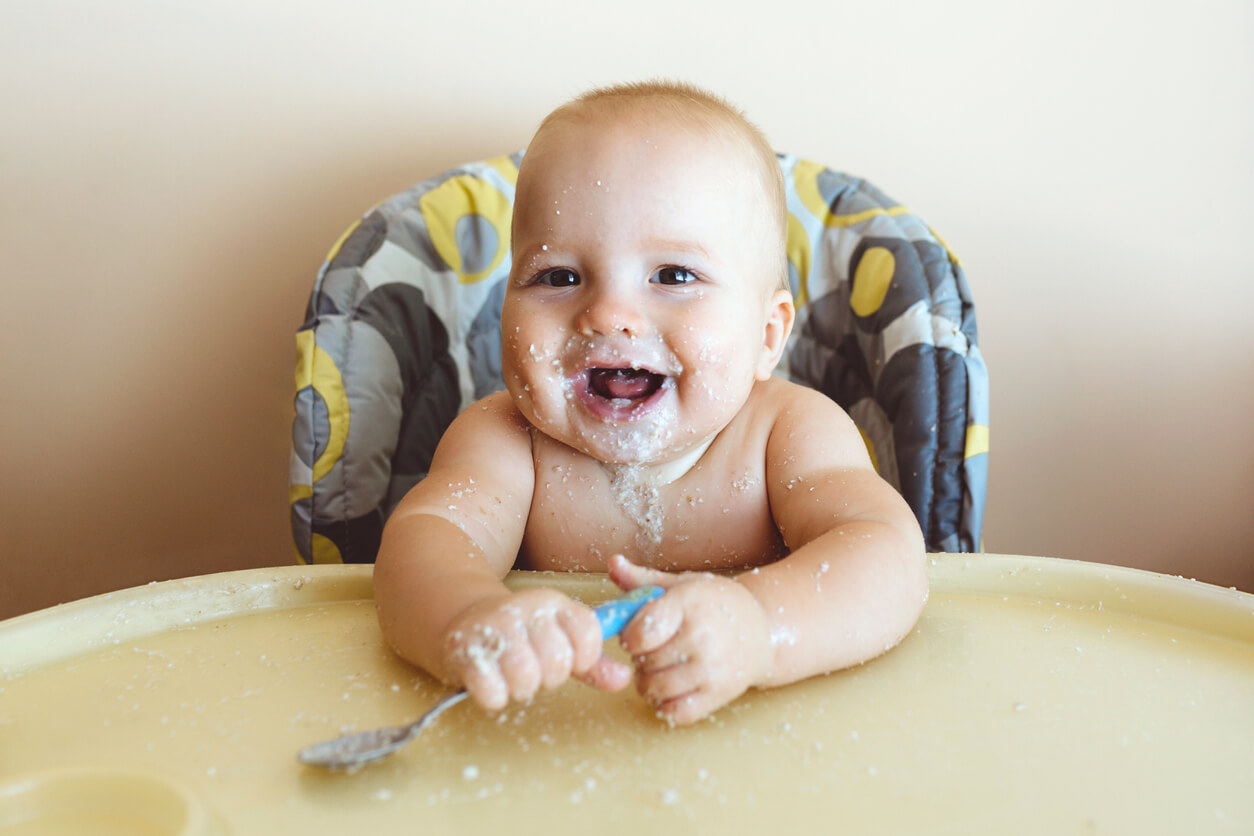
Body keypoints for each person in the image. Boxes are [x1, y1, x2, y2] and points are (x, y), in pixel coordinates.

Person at [373, 80, 928, 726]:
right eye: (559, 277)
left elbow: (888, 559)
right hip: (550, 750)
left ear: (768, 335)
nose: (608, 313)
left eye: (673, 276)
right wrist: (468, 617)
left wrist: (760, 628)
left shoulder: (788, 434)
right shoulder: (505, 440)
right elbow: (422, 547)